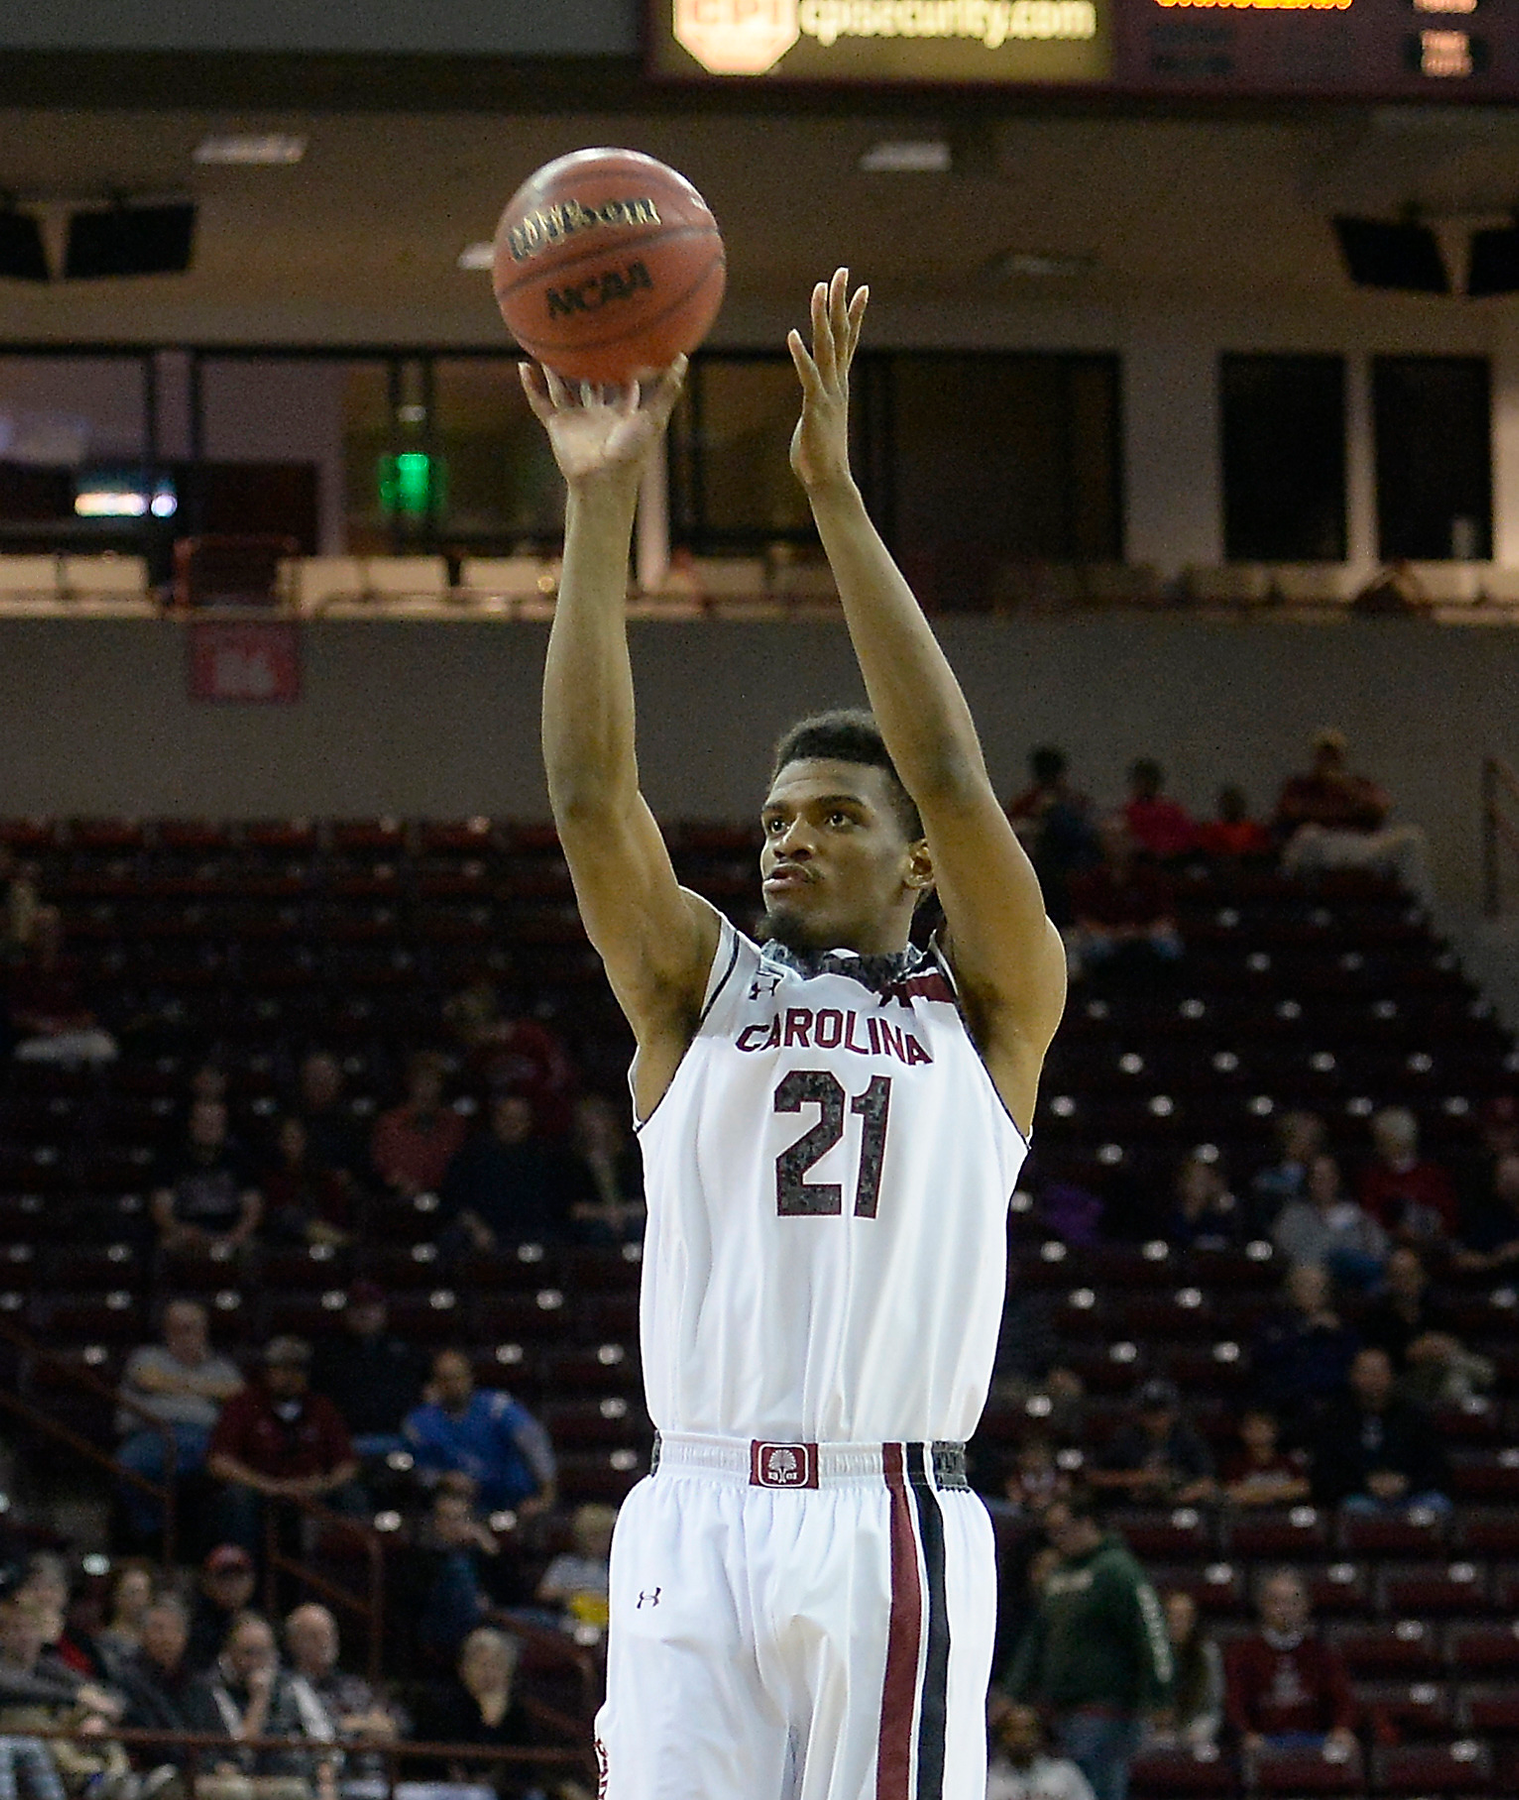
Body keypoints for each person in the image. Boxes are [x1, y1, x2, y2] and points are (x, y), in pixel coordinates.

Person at [525, 269, 1067, 1800]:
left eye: (831, 818)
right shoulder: (695, 991)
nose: (785, 842)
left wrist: (828, 499)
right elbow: (584, 799)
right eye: (771, 820)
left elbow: (950, 772)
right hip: (689, 1512)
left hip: (879, 1513)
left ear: (910, 865)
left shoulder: (992, 1011)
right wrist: (597, 506)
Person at [1006, 1493, 1172, 1800]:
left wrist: (1159, 1695)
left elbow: (1150, 1632)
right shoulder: (1059, 1575)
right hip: (1061, 1711)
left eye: (1062, 1529)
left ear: (1085, 1524)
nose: (1056, 1539)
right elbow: (1036, 1639)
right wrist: (1012, 1691)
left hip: (1107, 1710)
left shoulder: (1118, 1570)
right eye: (1051, 1532)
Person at [205, 1339, 362, 1551]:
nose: (289, 1377)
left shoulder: (322, 1408)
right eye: (282, 1368)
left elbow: (347, 1464)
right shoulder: (243, 1404)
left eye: (297, 1369)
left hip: (310, 1490)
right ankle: (241, 1574)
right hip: (260, 1490)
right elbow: (219, 1461)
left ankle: (347, 1573)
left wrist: (324, 1484)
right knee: (236, 1498)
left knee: (352, 1495)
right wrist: (267, 1485)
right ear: (267, 1370)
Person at [117, 1300, 244, 1540]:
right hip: (152, 1436)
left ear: (203, 1330)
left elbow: (237, 1393)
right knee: (130, 1465)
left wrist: (178, 1384)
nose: (183, 1335)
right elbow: (149, 1380)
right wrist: (207, 1389)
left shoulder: (221, 1366)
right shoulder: (147, 1357)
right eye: (175, 1328)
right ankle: (151, 1536)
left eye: (190, 1328)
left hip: (205, 1440)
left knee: (239, 1478)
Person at [1276, 729, 1432, 907]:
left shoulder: (1358, 784)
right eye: (1325, 754)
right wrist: (1343, 811)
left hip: (1360, 843)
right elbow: (1290, 811)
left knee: (1411, 838)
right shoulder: (1300, 785)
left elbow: (1381, 807)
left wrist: (1344, 787)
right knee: (1306, 836)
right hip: (1324, 842)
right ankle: (1293, 908)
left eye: (1334, 754)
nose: (1329, 759)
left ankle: (1418, 910)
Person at [402, 1350, 556, 1517]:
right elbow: (418, 1469)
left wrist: (546, 1497)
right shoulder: (419, 1423)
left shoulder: (497, 1408)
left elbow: (534, 1444)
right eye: (445, 1379)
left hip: (512, 1496)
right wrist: (443, 1479)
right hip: (460, 1503)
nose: (453, 1385)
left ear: (470, 1377)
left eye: (458, 1377)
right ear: (435, 1383)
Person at [1223, 1569, 1356, 1758]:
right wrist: (1246, 1733)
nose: (1285, 1609)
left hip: (1315, 1740)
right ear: (1263, 1605)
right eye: (1276, 1602)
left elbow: (1343, 1699)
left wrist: (1342, 1728)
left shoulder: (1323, 1653)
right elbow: (1234, 1704)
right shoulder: (1244, 1654)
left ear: (1306, 1606)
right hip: (1265, 1741)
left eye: (1293, 1602)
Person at [181, 1612, 314, 1800]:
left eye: (264, 1653)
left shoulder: (290, 1685)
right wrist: (259, 1700)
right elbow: (240, 1751)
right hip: (227, 1774)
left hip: (278, 1773)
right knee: (237, 1791)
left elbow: (320, 1734)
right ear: (229, 1653)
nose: (257, 1662)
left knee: (296, 1789)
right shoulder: (212, 1688)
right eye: (248, 1653)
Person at [1308, 1346, 1450, 1514]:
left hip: (1410, 1495)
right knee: (1355, 1508)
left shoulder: (1414, 1416)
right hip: (1359, 1497)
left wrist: (1404, 1482)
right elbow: (1325, 1473)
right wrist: (1365, 1483)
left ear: (1392, 1375)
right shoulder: (1334, 1419)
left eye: (1379, 1371)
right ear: (1352, 1375)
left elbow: (1437, 1467)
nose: (1373, 1379)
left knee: (1437, 1504)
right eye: (1366, 1372)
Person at [282, 1604, 401, 1784]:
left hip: (375, 1780)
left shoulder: (356, 1686)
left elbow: (393, 1725)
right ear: (293, 1642)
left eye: (329, 1634)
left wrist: (355, 1725)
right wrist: (360, 1726)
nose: (324, 1642)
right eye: (314, 1636)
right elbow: (312, 1735)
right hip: (320, 1780)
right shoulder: (288, 1689)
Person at [310, 1283, 425, 1461]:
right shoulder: (328, 1355)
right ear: (346, 1313)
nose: (364, 1314)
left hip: (398, 1441)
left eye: (370, 1307)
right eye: (357, 1308)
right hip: (345, 1443)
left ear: (383, 1311)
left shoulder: (406, 1352)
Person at [439, 1094, 569, 1250]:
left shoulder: (544, 1157)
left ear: (529, 1122)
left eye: (519, 1118)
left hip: (529, 1232)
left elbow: (553, 1205)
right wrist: (476, 1227)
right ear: (495, 1119)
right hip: (481, 1231)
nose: (511, 1124)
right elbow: (455, 1199)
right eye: (505, 1117)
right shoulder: (472, 1154)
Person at [1065, 821, 1182, 986]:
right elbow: (1083, 919)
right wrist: (1114, 933)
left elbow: (1166, 917)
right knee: (1092, 945)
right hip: (1106, 934)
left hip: (1145, 933)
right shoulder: (1089, 880)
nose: (1117, 843)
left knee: (1170, 945)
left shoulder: (1151, 878)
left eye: (1122, 837)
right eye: (1111, 837)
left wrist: (1139, 933)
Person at [415, 1627, 531, 1790]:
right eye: (480, 1664)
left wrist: (493, 1722)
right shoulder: (442, 1704)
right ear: (463, 1668)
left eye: (496, 1665)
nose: (488, 1673)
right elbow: (457, 1765)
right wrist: (487, 1724)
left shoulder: (516, 1711)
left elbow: (525, 1771)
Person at [149, 1099, 262, 1260]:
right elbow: (161, 1208)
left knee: (252, 1247)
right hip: (188, 1233)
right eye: (203, 1122)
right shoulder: (171, 1159)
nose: (209, 1129)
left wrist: (236, 1235)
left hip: (229, 1231)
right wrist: (179, 1229)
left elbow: (253, 1208)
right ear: (191, 1124)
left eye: (215, 1123)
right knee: (165, 1245)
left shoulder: (240, 1160)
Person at [7, 907, 118, 1067]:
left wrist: (72, 1024)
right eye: (40, 930)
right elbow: (16, 1015)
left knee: (104, 1049)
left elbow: (93, 1010)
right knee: (25, 1054)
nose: (46, 936)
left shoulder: (76, 968)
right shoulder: (23, 972)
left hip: (76, 1035)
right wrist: (39, 1024)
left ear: (59, 932)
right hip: (41, 1039)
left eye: (50, 929)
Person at [1005, 746, 1101, 928]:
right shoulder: (1026, 803)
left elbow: (1088, 834)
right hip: (1037, 869)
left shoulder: (1073, 802)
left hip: (1070, 867)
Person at [1249, 1262, 1360, 1413]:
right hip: (1283, 1407)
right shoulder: (1273, 1325)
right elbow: (1263, 1360)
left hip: (1331, 1408)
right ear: (1291, 1290)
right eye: (1304, 1286)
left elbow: (1350, 1367)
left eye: (1318, 1288)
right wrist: (1303, 1331)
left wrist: (1336, 1334)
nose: (1311, 1293)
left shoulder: (1340, 1328)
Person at [1089, 1379, 1215, 1507]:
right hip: (1130, 1506)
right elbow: (1096, 1476)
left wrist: (1178, 1496)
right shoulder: (1126, 1438)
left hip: (1178, 1507)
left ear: (1173, 1412)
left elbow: (1206, 1481)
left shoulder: (1187, 1438)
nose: (1156, 1419)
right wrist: (1139, 1478)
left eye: (1161, 1411)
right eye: (1150, 1412)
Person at [1271, 1153, 1387, 1289]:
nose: (1324, 1183)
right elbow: (1292, 1255)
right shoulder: (1293, 1215)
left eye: (1329, 1177)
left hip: (1354, 1278)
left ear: (1337, 1179)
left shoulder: (1354, 1212)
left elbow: (1378, 1247)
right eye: (1318, 1178)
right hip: (1311, 1275)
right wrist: (1331, 1231)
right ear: (1309, 1182)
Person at [369, 1052, 466, 1201]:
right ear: (410, 1083)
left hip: (443, 1200)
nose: (426, 1087)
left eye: (433, 1081)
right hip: (398, 1199)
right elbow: (380, 1165)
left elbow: (459, 1167)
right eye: (421, 1081)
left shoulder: (454, 1124)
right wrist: (400, 1182)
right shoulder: (390, 1123)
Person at [1358, 1108, 1457, 1247]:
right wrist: (1395, 1232)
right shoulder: (1374, 1177)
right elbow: (1369, 1217)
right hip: (1386, 1245)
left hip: (1430, 1244)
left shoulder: (1432, 1175)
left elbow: (1448, 1218)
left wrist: (1424, 1233)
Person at [562, 1093, 644, 1244]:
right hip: (595, 1221)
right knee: (598, 1232)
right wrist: (606, 1214)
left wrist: (620, 1213)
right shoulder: (572, 1162)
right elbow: (575, 1208)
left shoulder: (628, 1158)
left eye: (598, 1119)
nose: (593, 1126)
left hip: (628, 1216)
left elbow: (642, 1201)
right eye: (587, 1120)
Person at [261, 1118, 353, 1250]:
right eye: (288, 1139)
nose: (293, 1144)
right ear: (280, 1143)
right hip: (285, 1239)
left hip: (324, 1240)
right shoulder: (273, 1175)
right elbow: (277, 1213)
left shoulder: (321, 1174)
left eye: (297, 1138)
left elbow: (335, 1210)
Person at [1147, 1590, 1222, 1750]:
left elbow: (1213, 1707)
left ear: (1193, 1620)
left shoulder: (1206, 1654)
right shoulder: (1149, 1653)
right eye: (1172, 1617)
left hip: (1193, 1730)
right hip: (1153, 1732)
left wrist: (1200, 1731)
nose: (1177, 1623)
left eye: (1183, 1618)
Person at [986, 1701, 1096, 1800]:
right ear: (1002, 1736)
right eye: (1013, 1730)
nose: (1021, 1737)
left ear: (1040, 1734)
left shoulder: (1064, 1774)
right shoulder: (988, 1780)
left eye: (1028, 1729)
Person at [535, 1503, 616, 1633]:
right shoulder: (566, 1563)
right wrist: (571, 1593)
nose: (601, 1542)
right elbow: (545, 1592)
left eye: (605, 1536)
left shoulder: (616, 1568)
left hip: (609, 1624)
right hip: (570, 1622)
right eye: (594, 1537)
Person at [1248, 1112, 1327, 1237]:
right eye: (1306, 1139)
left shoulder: (1325, 1178)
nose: (1311, 1145)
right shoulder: (1266, 1180)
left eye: (1315, 1140)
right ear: (1288, 1141)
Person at [1219, 1409, 1310, 1509]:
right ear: (1243, 1432)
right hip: (1247, 1516)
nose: (1257, 1431)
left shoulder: (1287, 1462)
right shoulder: (1235, 1463)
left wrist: (1259, 1493)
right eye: (1252, 1427)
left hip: (1284, 1515)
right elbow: (1232, 1493)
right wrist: (1280, 1492)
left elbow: (1302, 1488)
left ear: (1274, 1431)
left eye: (1262, 1427)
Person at [186, 1549, 257, 1675]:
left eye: (239, 1578)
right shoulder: (197, 1628)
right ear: (207, 1582)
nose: (233, 1585)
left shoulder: (259, 1623)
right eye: (225, 1578)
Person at [1164, 1151, 1241, 1250]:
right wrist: (1191, 1214)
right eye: (1196, 1180)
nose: (1203, 1186)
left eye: (1207, 1179)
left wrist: (1226, 1212)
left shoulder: (1227, 1212)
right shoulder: (1175, 1214)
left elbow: (1236, 1240)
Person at [1121, 760, 1195, 860]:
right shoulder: (1127, 813)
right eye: (1141, 781)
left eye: (1149, 781)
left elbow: (1186, 836)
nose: (1145, 786)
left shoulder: (1171, 810)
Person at [95, 1563, 156, 1664]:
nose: (139, 1600)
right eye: (132, 1593)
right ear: (116, 1596)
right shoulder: (105, 1643)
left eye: (144, 1592)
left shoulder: (155, 1640)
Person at [1193, 787, 1271, 860]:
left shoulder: (1254, 831)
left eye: (1235, 803)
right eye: (1228, 804)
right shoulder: (1213, 831)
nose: (1232, 807)